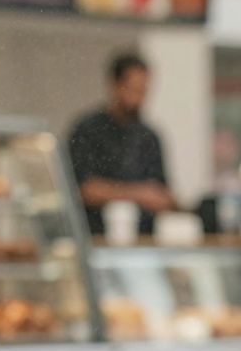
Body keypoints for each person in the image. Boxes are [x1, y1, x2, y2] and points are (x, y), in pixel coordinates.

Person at [67, 53, 176, 236]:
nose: (139, 98)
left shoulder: (149, 137)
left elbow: (162, 191)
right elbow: (84, 189)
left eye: (143, 91)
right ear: (115, 85)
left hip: (143, 239)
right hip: (96, 236)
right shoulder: (88, 130)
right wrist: (139, 194)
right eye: (134, 90)